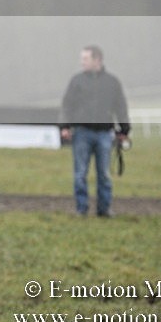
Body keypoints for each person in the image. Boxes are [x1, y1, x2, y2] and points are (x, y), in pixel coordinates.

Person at [60, 45, 130, 217]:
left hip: (105, 134)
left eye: (85, 58)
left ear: (97, 60)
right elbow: (67, 105)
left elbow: (120, 106)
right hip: (81, 133)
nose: (82, 62)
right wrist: (64, 126)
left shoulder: (112, 82)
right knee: (80, 174)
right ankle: (81, 209)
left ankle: (104, 209)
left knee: (104, 175)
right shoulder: (76, 81)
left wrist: (124, 130)